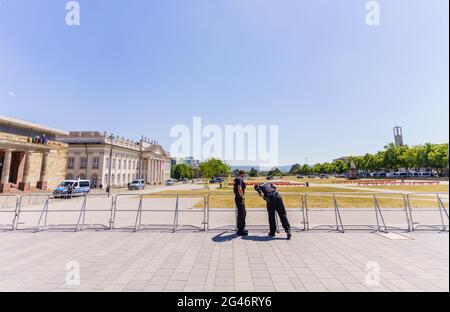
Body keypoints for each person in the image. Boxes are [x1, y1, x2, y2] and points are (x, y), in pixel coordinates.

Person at [233, 170, 248, 236]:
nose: (244, 175)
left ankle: (242, 228)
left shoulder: (237, 179)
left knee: (243, 212)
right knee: (241, 213)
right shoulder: (239, 179)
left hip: (238, 197)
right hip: (239, 198)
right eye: (244, 174)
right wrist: (242, 197)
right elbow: (239, 188)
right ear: (242, 174)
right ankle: (240, 230)